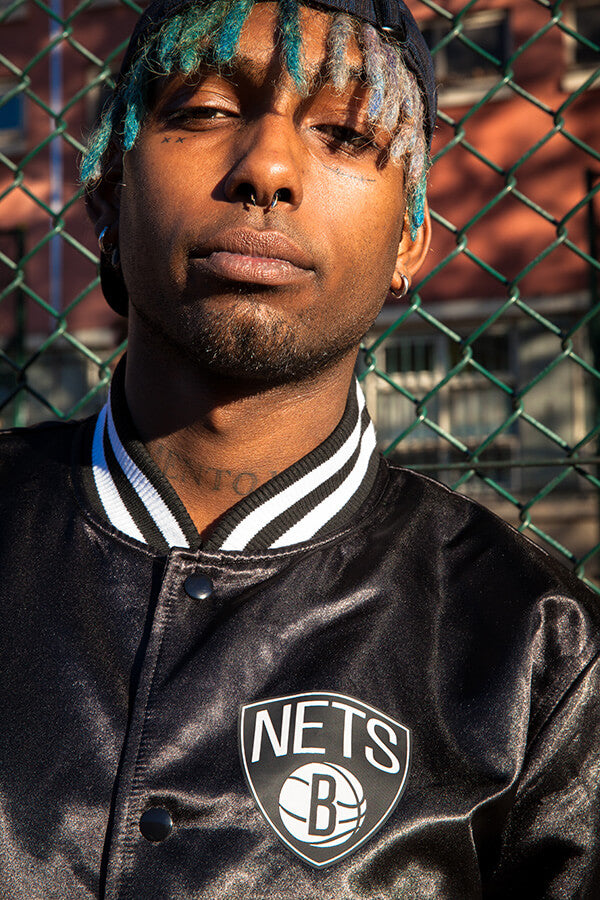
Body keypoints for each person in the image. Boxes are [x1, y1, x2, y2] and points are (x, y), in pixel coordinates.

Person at [1, 0, 599, 896]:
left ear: (410, 239)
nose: (269, 169)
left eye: (347, 136)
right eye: (203, 112)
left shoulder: (538, 658)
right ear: (108, 199)